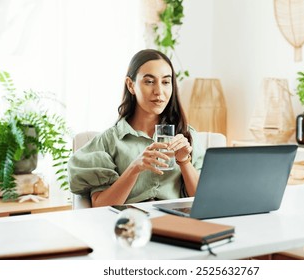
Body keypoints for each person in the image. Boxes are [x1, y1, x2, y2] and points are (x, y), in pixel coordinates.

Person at [68, 49, 204, 207]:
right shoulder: (108, 142)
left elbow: (201, 200)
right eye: (149, 81)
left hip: (177, 223)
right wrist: (135, 167)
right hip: (129, 225)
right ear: (131, 85)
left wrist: (184, 161)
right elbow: (100, 206)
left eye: (166, 82)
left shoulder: (187, 135)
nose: (159, 91)